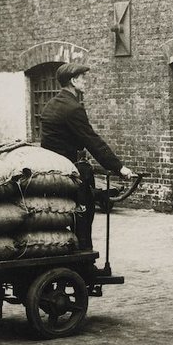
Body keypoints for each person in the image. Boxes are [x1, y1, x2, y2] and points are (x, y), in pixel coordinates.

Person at [40, 63, 135, 250]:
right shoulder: (73, 108)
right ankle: (84, 260)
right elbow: (92, 141)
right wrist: (119, 167)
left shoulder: (50, 105)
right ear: (74, 81)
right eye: (83, 78)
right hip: (71, 171)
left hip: (52, 171)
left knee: (60, 217)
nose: (85, 81)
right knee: (84, 214)